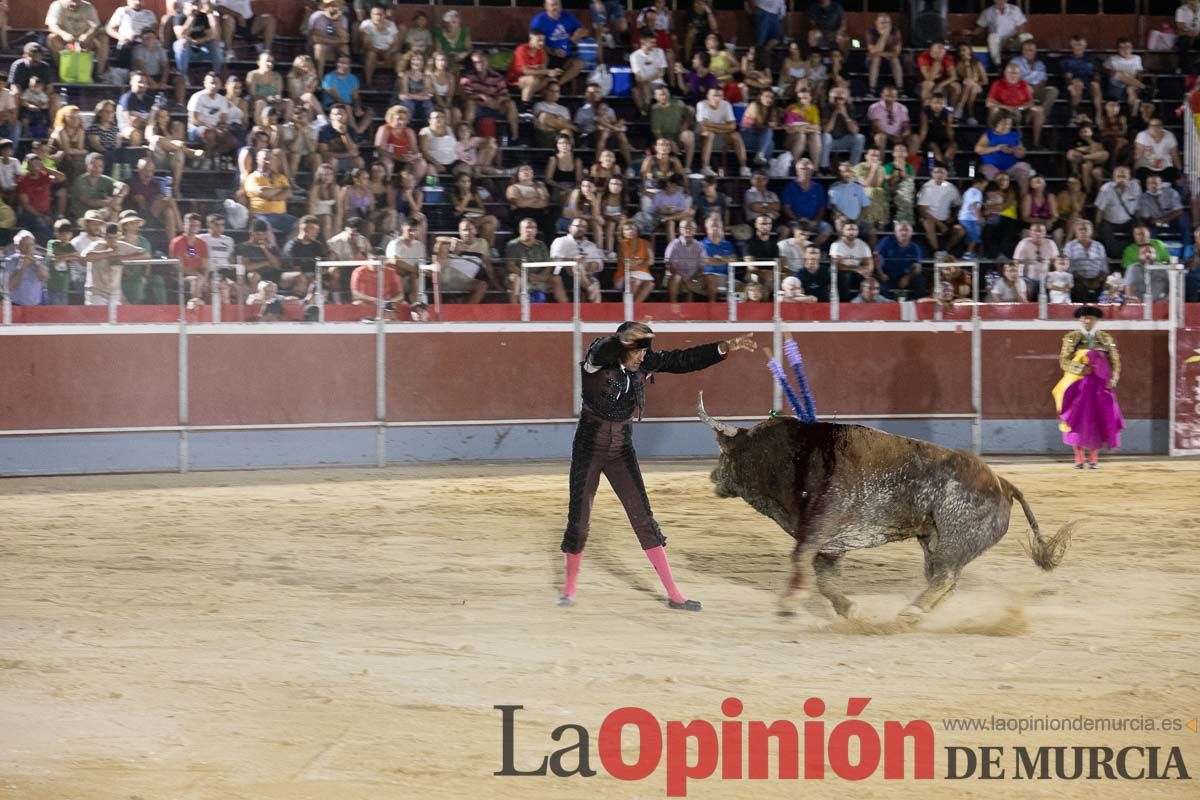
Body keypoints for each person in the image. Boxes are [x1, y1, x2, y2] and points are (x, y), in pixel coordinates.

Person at [559, 320, 756, 610]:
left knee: (643, 518)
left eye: (644, 350)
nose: (643, 356)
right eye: (637, 349)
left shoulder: (644, 361)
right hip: (588, 448)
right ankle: (569, 589)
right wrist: (625, 340)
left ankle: (674, 594)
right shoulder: (597, 361)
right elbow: (603, 349)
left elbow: (682, 360)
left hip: (621, 450)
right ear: (624, 345)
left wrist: (723, 348)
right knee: (579, 520)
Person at [1053, 306, 1123, 469]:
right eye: (1084, 318)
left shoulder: (1105, 338)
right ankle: (1078, 458)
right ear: (1079, 320)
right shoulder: (1072, 337)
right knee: (1075, 419)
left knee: (1097, 420)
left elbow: (1115, 361)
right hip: (1077, 383)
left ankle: (1093, 458)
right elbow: (1064, 361)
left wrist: (1113, 378)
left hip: (1098, 385)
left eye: (1090, 318)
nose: (1086, 321)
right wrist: (1081, 369)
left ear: (1096, 320)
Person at [529, 0, 587, 88]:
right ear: (546, 6)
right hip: (546, 54)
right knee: (543, 56)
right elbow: (534, 44)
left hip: (565, 56)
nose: (555, 7)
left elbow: (585, 32)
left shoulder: (568, 16)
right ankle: (546, 85)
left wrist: (579, 34)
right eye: (553, 5)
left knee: (580, 63)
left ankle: (556, 86)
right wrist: (553, 51)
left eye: (558, 4)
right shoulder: (539, 21)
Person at [46, 0, 109, 74]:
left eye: (77, 2)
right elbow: (51, 25)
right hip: (65, 41)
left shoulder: (88, 7)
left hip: (84, 41)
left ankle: (99, 73)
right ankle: (60, 70)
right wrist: (63, 34)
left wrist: (87, 35)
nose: (75, 4)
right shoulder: (57, 5)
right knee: (52, 38)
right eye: (72, 3)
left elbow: (95, 26)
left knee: (103, 38)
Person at [664, 217, 705, 304]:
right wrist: (685, 279)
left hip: (694, 276)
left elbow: (701, 267)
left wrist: (692, 278)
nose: (688, 230)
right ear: (680, 230)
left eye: (691, 228)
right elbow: (670, 266)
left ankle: (690, 311)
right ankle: (673, 308)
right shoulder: (674, 244)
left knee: (704, 280)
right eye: (685, 227)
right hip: (675, 275)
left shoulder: (699, 246)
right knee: (677, 278)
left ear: (695, 230)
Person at [3, 231, 49, 306]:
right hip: (16, 305)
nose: (28, 248)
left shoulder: (40, 259)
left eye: (31, 245)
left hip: (36, 304)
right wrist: (22, 267)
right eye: (25, 245)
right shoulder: (11, 260)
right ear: (18, 247)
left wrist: (36, 263)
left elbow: (45, 278)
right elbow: (10, 286)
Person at [973, 0, 1026, 66]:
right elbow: (980, 28)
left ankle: (1025, 63)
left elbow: (1021, 28)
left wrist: (1011, 39)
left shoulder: (1015, 9)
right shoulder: (987, 12)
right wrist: (971, 32)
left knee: (1026, 36)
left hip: (1013, 40)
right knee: (992, 37)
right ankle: (998, 65)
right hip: (997, 43)